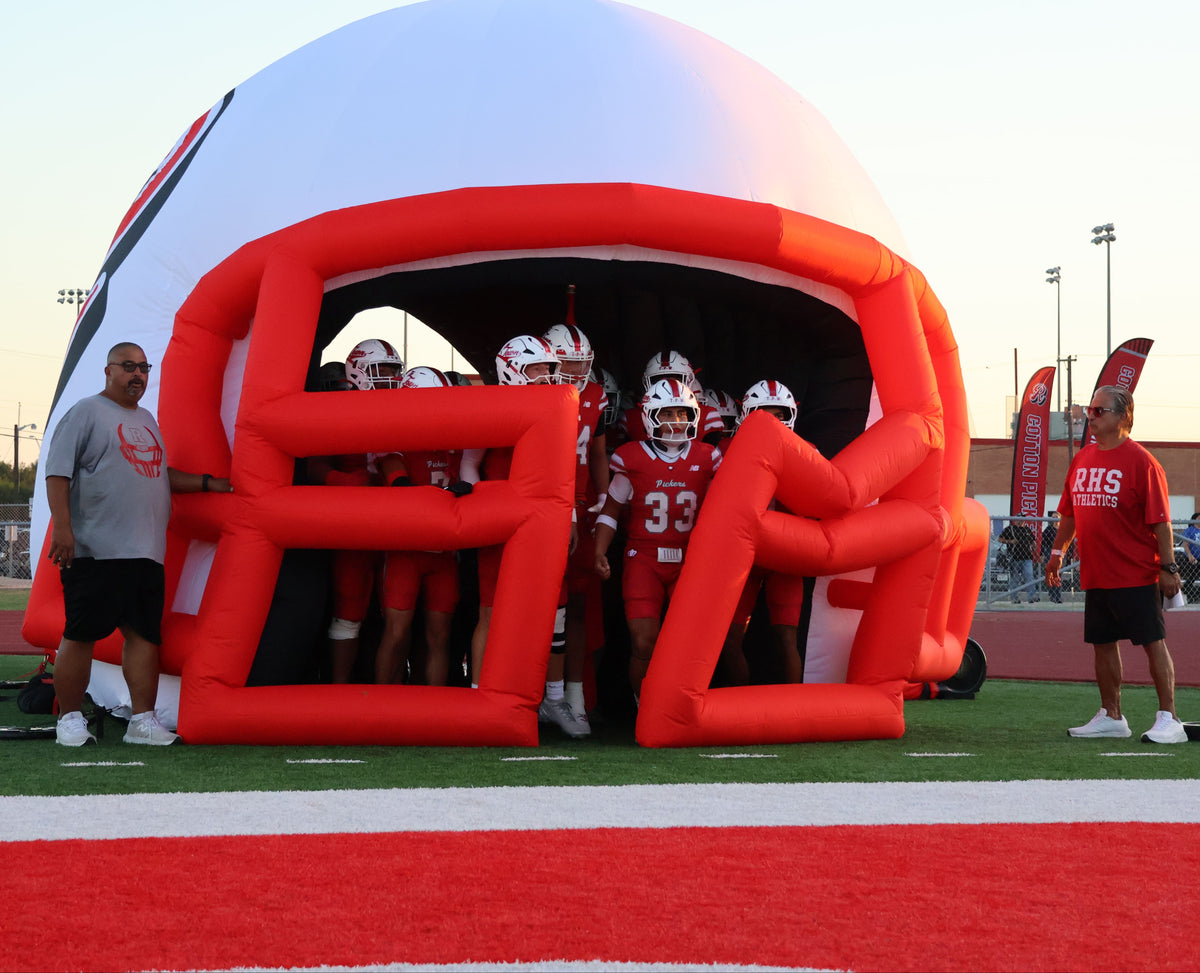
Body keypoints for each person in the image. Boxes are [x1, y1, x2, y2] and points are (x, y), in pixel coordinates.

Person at [43, 341, 232, 747]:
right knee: (81, 634)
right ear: (108, 370)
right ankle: (69, 719)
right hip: (96, 550)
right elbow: (57, 472)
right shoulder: (86, 411)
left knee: (144, 636)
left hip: (146, 552)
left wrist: (207, 484)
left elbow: (157, 473)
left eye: (144, 368)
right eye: (129, 366)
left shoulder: (146, 418)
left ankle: (142, 721)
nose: (138, 375)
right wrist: (63, 527)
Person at [458, 335, 588, 738]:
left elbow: (563, 470)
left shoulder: (555, 407)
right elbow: (468, 466)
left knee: (555, 611)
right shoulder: (492, 406)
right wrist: (483, 510)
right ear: (512, 369)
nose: (547, 375)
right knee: (490, 612)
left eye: (550, 368)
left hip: (543, 522)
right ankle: (478, 697)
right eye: (538, 368)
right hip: (500, 523)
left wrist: (569, 515)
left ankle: (553, 699)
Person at [1046, 385, 1187, 744]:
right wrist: (1057, 553)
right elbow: (1069, 513)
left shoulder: (1143, 462)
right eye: (1089, 410)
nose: (1090, 416)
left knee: (1152, 641)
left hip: (1136, 572)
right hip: (1097, 573)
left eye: (1099, 411)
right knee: (1103, 642)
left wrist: (1168, 568)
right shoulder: (1082, 459)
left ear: (1124, 416)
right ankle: (1112, 716)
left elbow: (1161, 522)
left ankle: (1169, 718)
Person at [594, 379, 722, 699]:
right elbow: (611, 510)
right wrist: (600, 550)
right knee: (643, 641)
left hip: (690, 558)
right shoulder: (632, 458)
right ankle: (643, 706)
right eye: (667, 413)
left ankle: (680, 704)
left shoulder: (708, 457)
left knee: (689, 643)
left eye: (682, 413)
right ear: (650, 416)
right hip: (644, 557)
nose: (676, 421)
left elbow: (723, 513)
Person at [309, 340, 404, 683]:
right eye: (382, 370)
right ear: (359, 371)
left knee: (398, 612)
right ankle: (339, 688)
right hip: (353, 524)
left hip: (394, 523)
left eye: (394, 370)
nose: (390, 377)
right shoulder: (337, 408)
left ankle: (391, 690)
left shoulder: (402, 408)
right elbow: (315, 464)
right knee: (349, 609)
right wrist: (347, 481)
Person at [373, 367, 463, 686]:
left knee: (439, 637)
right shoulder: (396, 440)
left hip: (443, 554)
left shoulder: (454, 442)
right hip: (406, 552)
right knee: (397, 633)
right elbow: (401, 486)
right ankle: (381, 706)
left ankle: (434, 707)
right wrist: (447, 493)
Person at [716, 380, 805, 686]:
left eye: (779, 414)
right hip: (745, 555)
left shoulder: (805, 451)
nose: (771, 421)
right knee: (729, 639)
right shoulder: (726, 451)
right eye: (763, 413)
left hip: (784, 555)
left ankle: (792, 709)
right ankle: (740, 704)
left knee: (786, 638)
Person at [543, 323, 609, 729]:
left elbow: (598, 453)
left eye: (582, 363)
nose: (576, 370)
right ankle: (544, 694)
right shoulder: (538, 390)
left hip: (582, 509)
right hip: (549, 507)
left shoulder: (595, 395)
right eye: (568, 362)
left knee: (579, 604)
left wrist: (603, 500)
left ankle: (574, 694)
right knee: (550, 605)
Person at [998, 518, 1038, 604]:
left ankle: (1031, 596)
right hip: (1014, 557)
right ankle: (1014, 597)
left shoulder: (1027, 530)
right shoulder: (1010, 529)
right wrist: (1010, 541)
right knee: (1015, 578)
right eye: (1018, 520)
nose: (1020, 522)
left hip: (1027, 557)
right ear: (1015, 521)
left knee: (1029, 576)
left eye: (1022, 520)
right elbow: (1000, 539)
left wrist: (1036, 554)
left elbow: (1032, 542)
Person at [1040, 510, 1063, 603]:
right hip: (1050, 552)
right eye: (1053, 518)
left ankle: (1058, 596)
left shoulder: (1063, 529)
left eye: (1056, 517)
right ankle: (1052, 595)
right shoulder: (1048, 530)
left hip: (1061, 553)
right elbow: (1043, 543)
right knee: (1051, 574)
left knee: (1059, 575)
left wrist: (1069, 556)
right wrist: (1042, 554)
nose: (1054, 519)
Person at [1181, 512, 1200, 603]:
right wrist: (1190, 555)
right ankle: (1189, 594)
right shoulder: (1190, 530)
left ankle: (1195, 595)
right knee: (1192, 577)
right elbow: (1185, 544)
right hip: (1193, 558)